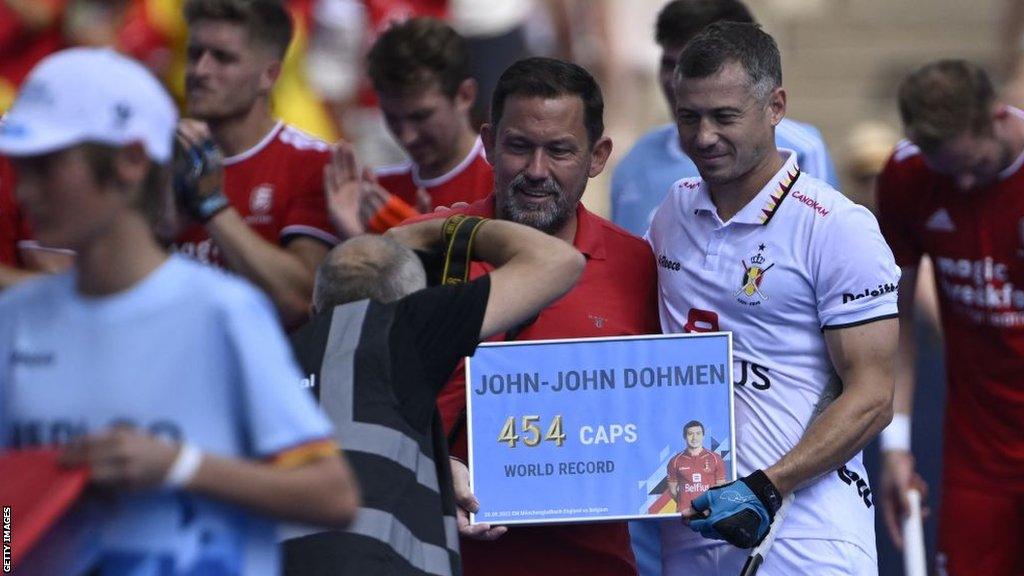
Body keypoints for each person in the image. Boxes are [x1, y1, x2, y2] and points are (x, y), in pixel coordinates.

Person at [0, 46, 358, 575]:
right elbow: (8, 507)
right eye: (19, 168)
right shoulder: (16, 320)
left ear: (130, 162)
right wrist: (7, 555)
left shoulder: (223, 313)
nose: (23, 190)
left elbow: (331, 496)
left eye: (47, 167)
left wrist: (178, 465)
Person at [646, 23, 899, 574]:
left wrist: (766, 486)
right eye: (689, 117)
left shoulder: (838, 226)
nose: (704, 136)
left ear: (775, 105)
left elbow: (874, 395)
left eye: (724, 116)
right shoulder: (671, 210)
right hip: (691, 533)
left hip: (807, 537)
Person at [404, 56, 660, 576]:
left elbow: (659, 420)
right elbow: (371, 404)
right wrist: (433, 465)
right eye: (519, 146)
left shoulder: (640, 265)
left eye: (560, 150)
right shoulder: (431, 247)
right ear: (488, 143)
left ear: (598, 155)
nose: (536, 171)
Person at [283, 215, 585, 575]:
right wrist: (432, 230)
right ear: (415, 303)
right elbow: (558, 261)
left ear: (315, 310)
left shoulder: (271, 359)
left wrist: (444, 471)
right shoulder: (401, 326)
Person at [875, 59, 1024, 576]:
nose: (961, 185)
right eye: (947, 170)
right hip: (977, 453)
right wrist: (896, 444)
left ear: (997, 117)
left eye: (975, 167)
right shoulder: (908, 176)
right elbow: (896, 321)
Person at [174, 0, 339, 328]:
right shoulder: (159, 159)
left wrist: (210, 205)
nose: (200, 71)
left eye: (223, 58)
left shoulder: (313, 163)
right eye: (194, 54)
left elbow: (299, 299)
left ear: (269, 75)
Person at [611, 0, 838, 237]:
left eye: (696, 68)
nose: (677, 81)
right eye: (669, 65)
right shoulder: (636, 159)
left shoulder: (803, 150)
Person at [344, 17, 491, 235]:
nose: (407, 136)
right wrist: (353, 238)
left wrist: (420, 245)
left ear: (465, 95)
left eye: (421, 116)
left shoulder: (505, 181)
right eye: (392, 118)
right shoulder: (378, 193)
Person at [666, 420, 727, 510]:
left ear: (703, 436)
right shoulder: (675, 461)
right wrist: (684, 503)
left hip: (709, 511)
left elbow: (720, 487)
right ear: (684, 436)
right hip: (685, 512)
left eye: (698, 433)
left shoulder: (716, 458)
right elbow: (672, 490)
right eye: (690, 434)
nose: (694, 438)